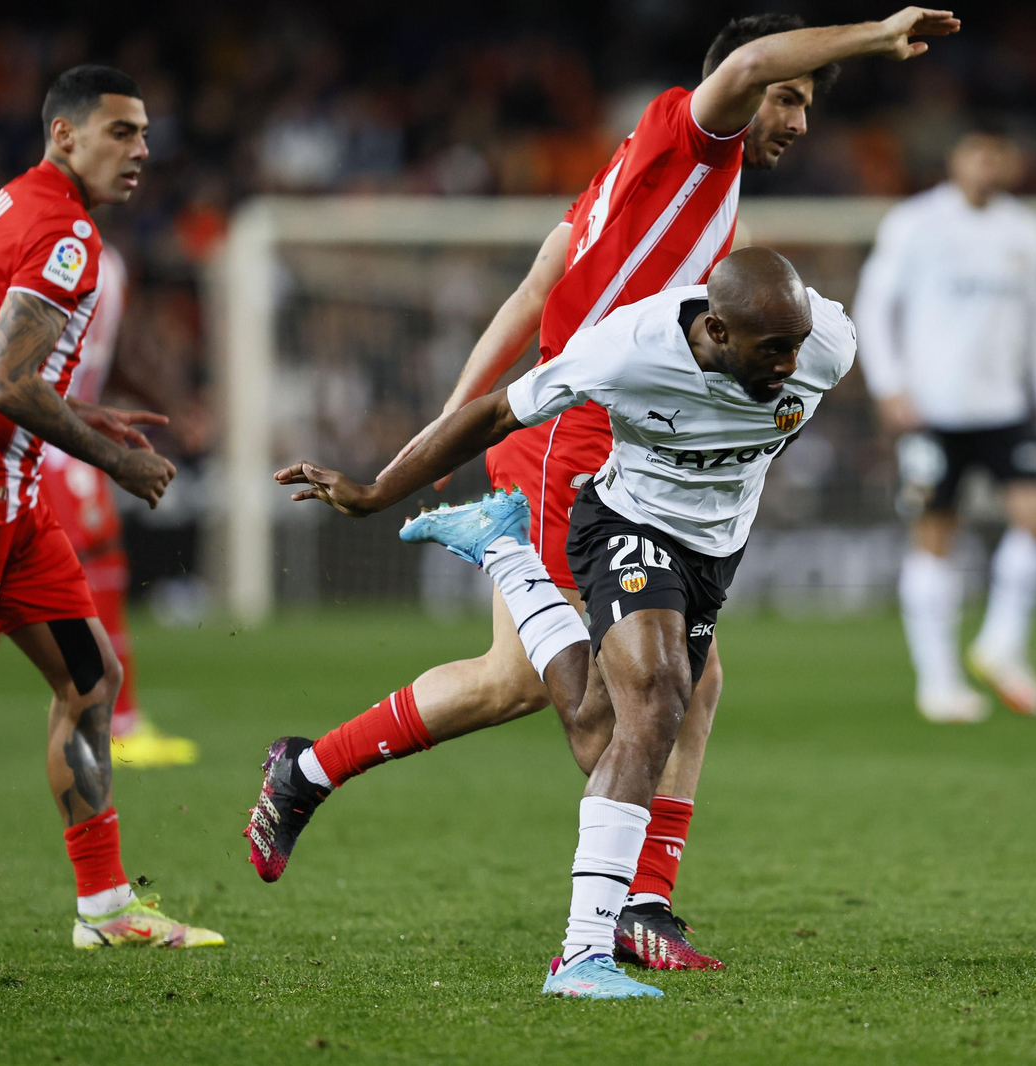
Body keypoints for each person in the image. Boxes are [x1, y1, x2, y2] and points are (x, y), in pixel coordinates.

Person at [244, 8, 958, 972]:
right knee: (586, 711)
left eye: (805, 103)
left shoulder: (650, 182)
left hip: (595, 428)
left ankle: (640, 899)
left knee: (672, 681)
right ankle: (323, 766)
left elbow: (534, 291)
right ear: (742, 89)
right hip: (572, 438)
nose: (798, 120)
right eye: (788, 98)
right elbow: (749, 59)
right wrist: (876, 34)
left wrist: (440, 433)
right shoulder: (689, 142)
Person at [277, 247, 858, 998]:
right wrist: (375, 491)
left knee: (597, 733)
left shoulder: (827, 344)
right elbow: (494, 413)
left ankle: (503, 551)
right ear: (716, 330)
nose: (789, 364)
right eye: (772, 349)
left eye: (796, 345)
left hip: (714, 554)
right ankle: (584, 954)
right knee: (657, 701)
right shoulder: (630, 347)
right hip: (625, 523)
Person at [0, 65, 220, 948]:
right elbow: (2, 382)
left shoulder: (11, 206)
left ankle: (106, 909)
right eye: (121, 132)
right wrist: (115, 458)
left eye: (144, 133)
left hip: (17, 503)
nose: (141, 150)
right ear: (64, 134)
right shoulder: (66, 232)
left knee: (90, 679)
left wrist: (85, 413)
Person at [853, 119, 1036, 724]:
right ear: (956, 159)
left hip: (1005, 407)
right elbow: (874, 306)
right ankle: (938, 681)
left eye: (996, 154)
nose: (986, 165)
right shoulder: (914, 223)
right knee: (935, 534)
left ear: (1010, 163)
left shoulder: (1030, 233)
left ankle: (1001, 645)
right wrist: (889, 386)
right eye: (977, 153)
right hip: (932, 410)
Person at [40, 245, 202, 768]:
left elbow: (105, 357)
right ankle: (110, 722)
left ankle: (117, 722)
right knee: (4, 586)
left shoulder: (107, 262)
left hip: (71, 435)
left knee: (100, 561)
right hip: (39, 438)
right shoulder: (52, 247)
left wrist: (166, 404)